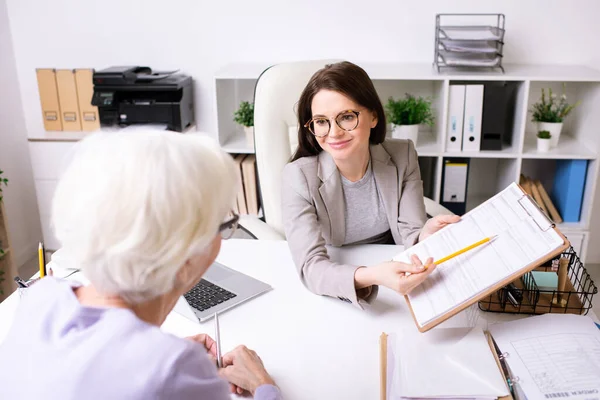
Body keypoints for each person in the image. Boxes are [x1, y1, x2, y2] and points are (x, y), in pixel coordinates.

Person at [0, 131, 282, 400]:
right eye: (224, 223)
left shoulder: (40, 297)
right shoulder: (171, 369)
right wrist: (263, 385)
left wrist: (158, 352)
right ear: (184, 258)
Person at [282, 61, 460, 308]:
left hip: (396, 266)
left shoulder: (403, 154)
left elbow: (411, 231)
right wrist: (374, 275)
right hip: (339, 280)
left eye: (346, 117)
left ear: (373, 116)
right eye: (321, 122)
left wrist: (425, 235)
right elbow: (311, 268)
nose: (333, 133)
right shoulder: (298, 176)